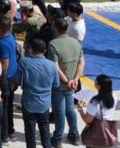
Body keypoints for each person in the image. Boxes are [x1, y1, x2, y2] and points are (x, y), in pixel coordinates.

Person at [47, 19, 83, 147]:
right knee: (70, 110)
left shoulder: (53, 44)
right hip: (72, 84)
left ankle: (58, 137)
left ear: (55, 28)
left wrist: (66, 81)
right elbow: (81, 62)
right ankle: (74, 135)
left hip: (60, 84)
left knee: (59, 111)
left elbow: (55, 66)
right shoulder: (76, 42)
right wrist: (75, 79)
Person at [18, 38, 58, 148]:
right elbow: (56, 84)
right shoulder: (52, 65)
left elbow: (18, 80)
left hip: (28, 102)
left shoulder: (24, 62)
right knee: (44, 127)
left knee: (29, 130)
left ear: (31, 49)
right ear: (45, 51)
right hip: (44, 103)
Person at [0, 17, 18, 143]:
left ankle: (4, 135)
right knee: (8, 106)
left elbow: (4, 64)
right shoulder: (9, 36)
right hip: (11, 77)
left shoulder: (2, 44)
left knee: (2, 108)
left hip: (4, 80)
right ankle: (10, 131)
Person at [76, 74, 117, 148]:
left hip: (97, 132)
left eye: (95, 81)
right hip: (109, 130)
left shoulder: (95, 101)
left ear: (98, 85)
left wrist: (80, 109)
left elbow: (87, 120)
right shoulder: (113, 96)